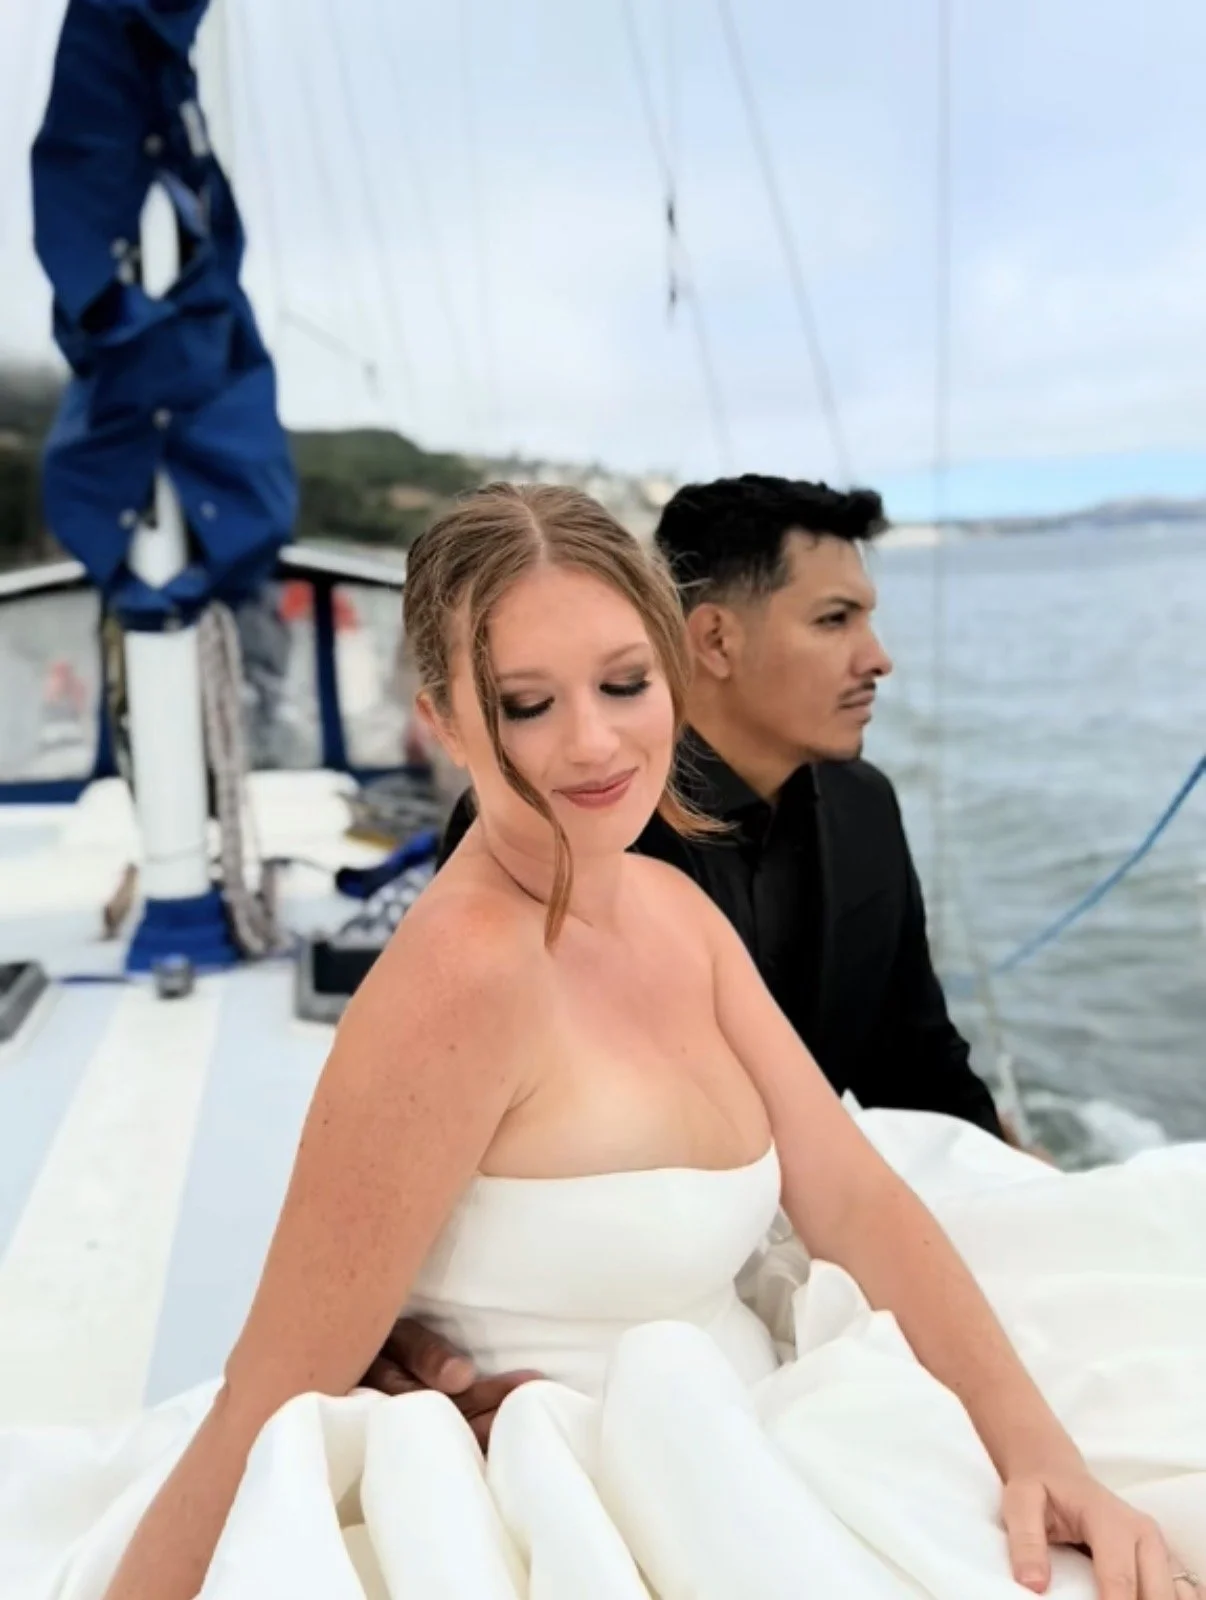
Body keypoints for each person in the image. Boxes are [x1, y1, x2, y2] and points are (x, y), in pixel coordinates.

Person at [4, 484, 1204, 1599]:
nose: (592, 744)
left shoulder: (669, 905)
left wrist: (1040, 1452)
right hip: (580, 1504)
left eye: (625, 683)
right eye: (527, 704)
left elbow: (855, 1199)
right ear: (444, 722)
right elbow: (269, 1396)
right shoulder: (464, 980)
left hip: (767, 1434)